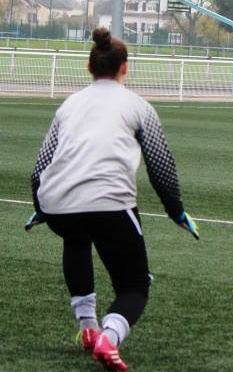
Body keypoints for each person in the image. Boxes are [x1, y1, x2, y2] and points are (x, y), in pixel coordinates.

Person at [25, 27, 199, 371]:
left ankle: (87, 328)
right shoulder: (138, 106)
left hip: (57, 204)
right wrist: (176, 212)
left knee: (75, 238)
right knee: (135, 285)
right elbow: (161, 166)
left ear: (89, 69)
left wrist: (41, 208)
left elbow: (40, 167)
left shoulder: (69, 105)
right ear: (125, 67)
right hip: (109, 205)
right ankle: (109, 336)